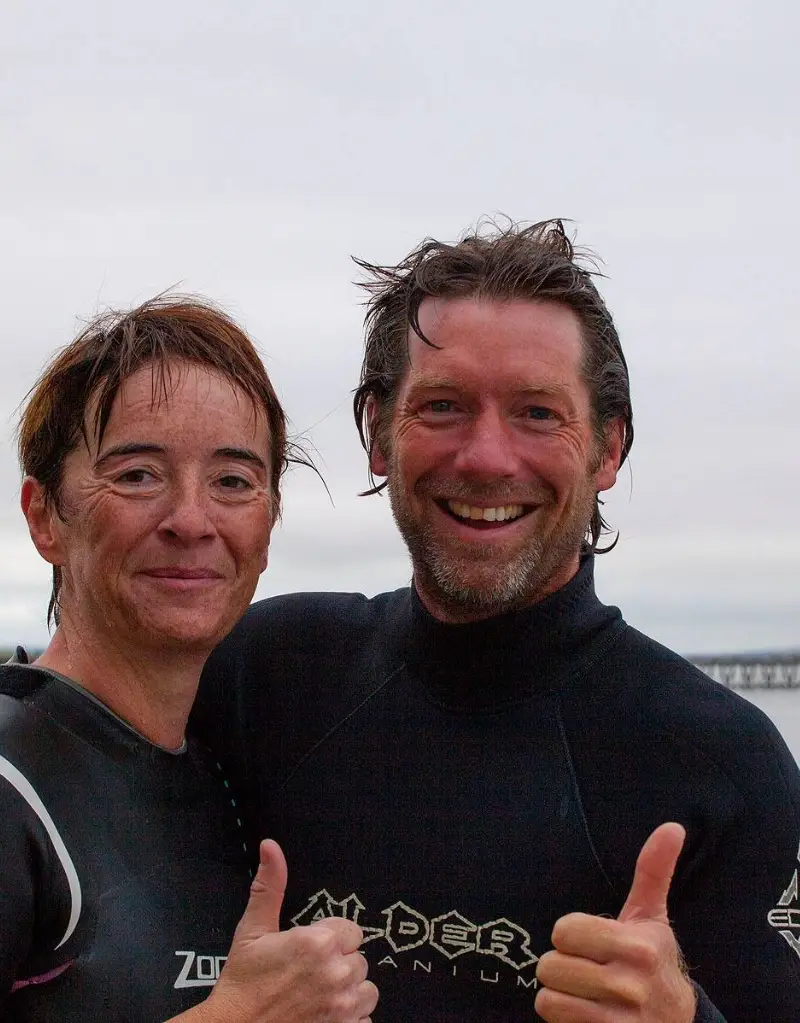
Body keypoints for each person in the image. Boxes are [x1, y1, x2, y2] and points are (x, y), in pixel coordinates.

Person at [197, 221, 800, 1022]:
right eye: (442, 406)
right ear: (378, 433)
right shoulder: (266, 673)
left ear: (609, 448)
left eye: (538, 413)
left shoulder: (724, 763)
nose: (486, 456)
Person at [0, 296, 378, 1022]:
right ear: (45, 516)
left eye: (233, 481)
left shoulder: (233, 779)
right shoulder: (12, 788)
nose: (192, 521)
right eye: (138, 474)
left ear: (267, 528)